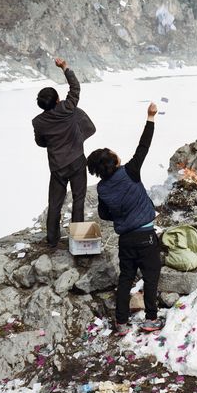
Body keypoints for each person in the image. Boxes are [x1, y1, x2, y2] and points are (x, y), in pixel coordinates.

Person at [87, 103, 162, 335]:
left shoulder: (102, 189)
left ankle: (121, 323)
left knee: (126, 279)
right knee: (150, 278)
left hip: (126, 240)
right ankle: (151, 319)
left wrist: (120, 212)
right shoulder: (130, 171)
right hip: (146, 236)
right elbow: (144, 146)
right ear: (114, 161)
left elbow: (103, 214)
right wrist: (150, 117)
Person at [32, 58, 96, 248]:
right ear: (57, 100)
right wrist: (65, 68)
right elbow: (75, 88)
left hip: (57, 167)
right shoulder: (67, 108)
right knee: (78, 199)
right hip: (77, 161)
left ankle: (52, 240)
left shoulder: (38, 122)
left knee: (55, 203)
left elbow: (40, 142)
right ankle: (79, 240)